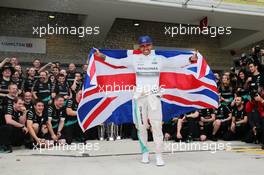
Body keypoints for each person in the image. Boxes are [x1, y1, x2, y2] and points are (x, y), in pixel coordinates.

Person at [95, 35, 197, 166]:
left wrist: (190, 59)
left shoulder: (159, 59)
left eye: (147, 45)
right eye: (142, 46)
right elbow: (118, 63)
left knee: (156, 127)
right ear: (139, 47)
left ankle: (159, 155)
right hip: (140, 98)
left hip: (154, 98)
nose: (145, 48)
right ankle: (145, 153)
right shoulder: (134, 59)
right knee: (141, 127)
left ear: (151, 45)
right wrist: (102, 57)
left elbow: (175, 62)